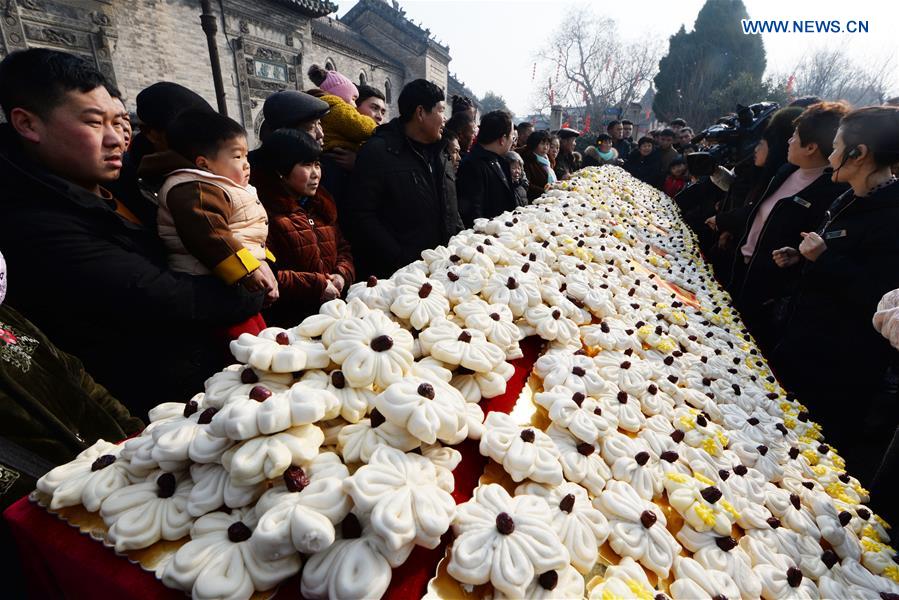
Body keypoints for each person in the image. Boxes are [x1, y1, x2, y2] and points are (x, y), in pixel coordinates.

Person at [0, 49, 263, 417]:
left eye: (119, 123)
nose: (116, 139)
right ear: (28, 124)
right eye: (94, 123)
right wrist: (253, 287)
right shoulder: (32, 221)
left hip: (205, 379)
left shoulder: (128, 184)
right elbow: (163, 297)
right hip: (152, 408)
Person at [771, 106, 899, 475]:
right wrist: (802, 258)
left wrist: (824, 260)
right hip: (802, 346)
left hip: (836, 374)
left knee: (798, 467)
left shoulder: (893, 218)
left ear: (859, 154)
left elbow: (883, 301)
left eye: (838, 146)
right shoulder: (848, 198)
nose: (830, 155)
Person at [0, 250, 145, 512]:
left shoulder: (7, 318)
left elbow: (75, 376)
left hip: (121, 468)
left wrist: (135, 435)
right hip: (54, 512)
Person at [723, 102, 850, 350]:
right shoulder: (786, 170)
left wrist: (796, 256)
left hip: (768, 293)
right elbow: (760, 211)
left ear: (811, 147)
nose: (789, 142)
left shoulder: (831, 191)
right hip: (743, 269)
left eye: (795, 137)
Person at [148, 109, 278, 308]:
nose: (246, 164)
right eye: (237, 157)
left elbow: (246, 232)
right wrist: (249, 271)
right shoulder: (194, 189)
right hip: (205, 283)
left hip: (232, 279)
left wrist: (263, 259)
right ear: (204, 164)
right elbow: (212, 237)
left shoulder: (221, 186)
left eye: (246, 155)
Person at [348, 79, 462, 278]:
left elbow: (451, 204)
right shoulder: (379, 151)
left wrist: (461, 240)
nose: (445, 119)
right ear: (420, 113)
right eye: (441, 110)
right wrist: (400, 256)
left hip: (442, 267)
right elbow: (361, 214)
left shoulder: (442, 152)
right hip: (401, 274)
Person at [253, 129, 355, 326]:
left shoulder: (321, 204)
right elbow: (269, 274)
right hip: (292, 321)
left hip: (334, 313)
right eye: (306, 165)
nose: (316, 173)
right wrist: (317, 285)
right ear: (281, 170)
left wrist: (342, 274)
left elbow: (343, 248)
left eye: (317, 164)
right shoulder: (263, 213)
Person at [109, 81, 213, 225]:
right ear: (152, 133)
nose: (205, 144)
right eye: (191, 133)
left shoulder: (213, 168)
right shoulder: (118, 183)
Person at [456, 110, 517, 226]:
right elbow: (473, 213)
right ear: (502, 139)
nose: (512, 141)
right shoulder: (472, 165)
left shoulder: (500, 160)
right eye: (512, 137)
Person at [307, 65, 376, 153]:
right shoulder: (338, 108)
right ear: (341, 95)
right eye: (353, 99)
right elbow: (364, 129)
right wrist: (377, 127)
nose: (355, 105)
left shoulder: (323, 107)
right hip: (337, 154)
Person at [521, 130, 556, 202]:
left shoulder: (548, 160)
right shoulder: (527, 161)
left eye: (547, 144)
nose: (546, 147)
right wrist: (545, 190)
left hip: (548, 198)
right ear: (534, 144)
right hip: (535, 201)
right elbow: (527, 184)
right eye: (542, 144)